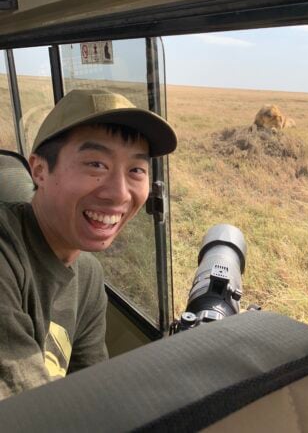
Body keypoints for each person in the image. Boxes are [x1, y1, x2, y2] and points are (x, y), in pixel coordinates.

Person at [0, 88, 177, 400]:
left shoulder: (89, 276)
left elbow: (93, 394)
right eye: (96, 164)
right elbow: (26, 416)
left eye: (136, 170)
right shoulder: (7, 256)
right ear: (39, 170)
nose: (120, 193)